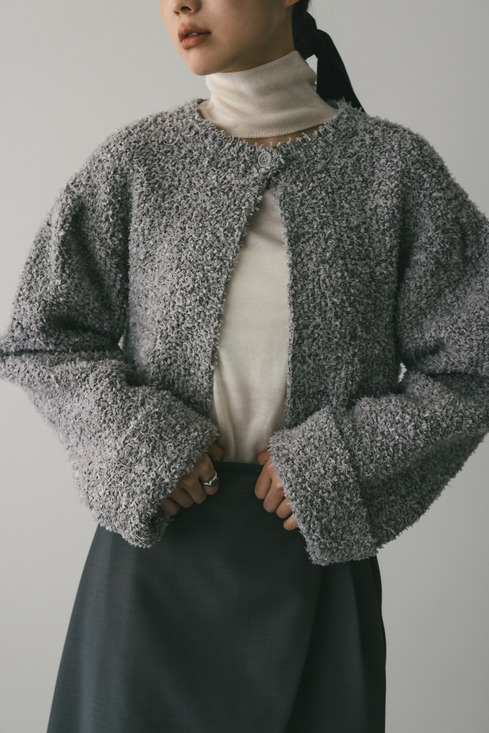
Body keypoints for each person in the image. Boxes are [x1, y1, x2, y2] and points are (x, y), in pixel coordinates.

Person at [0, 0, 488, 731]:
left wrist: (342, 464)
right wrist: (138, 442)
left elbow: (473, 363)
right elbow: (44, 335)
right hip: (152, 562)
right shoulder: (138, 162)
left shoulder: (393, 171)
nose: (181, 4)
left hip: (316, 564)